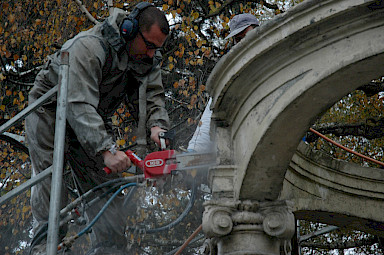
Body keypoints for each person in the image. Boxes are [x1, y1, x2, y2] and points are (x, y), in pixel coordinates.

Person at [26, 2, 170, 254]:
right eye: (149, 45)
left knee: (106, 187)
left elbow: (152, 98)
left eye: (157, 49)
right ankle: (45, 247)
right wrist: (106, 149)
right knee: (51, 179)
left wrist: (158, 129)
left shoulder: (144, 58)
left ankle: (110, 248)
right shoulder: (88, 47)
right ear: (129, 30)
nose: (151, 54)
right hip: (49, 110)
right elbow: (78, 103)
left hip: (92, 116)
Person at [187, 13, 260, 152]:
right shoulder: (234, 71)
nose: (243, 43)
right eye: (238, 39)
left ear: (257, 30)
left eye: (246, 36)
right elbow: (212, 110)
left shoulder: (275, 58)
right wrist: (195, 149)